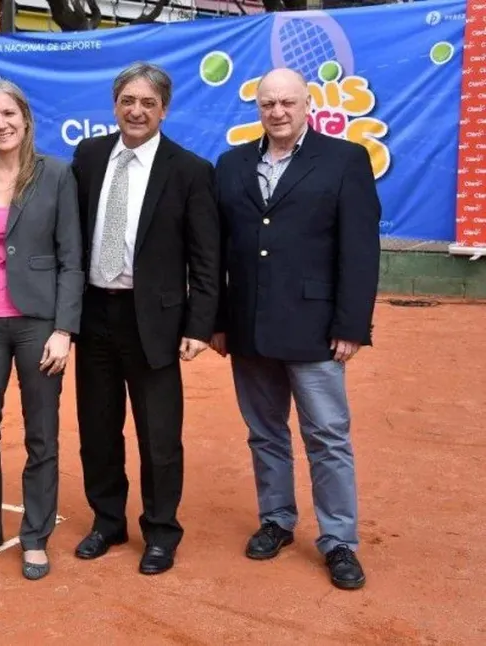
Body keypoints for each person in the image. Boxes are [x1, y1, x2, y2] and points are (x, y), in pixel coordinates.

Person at [211, 67, 380, 591]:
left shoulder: (345, 160)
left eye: (287, 102)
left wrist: (351, 325)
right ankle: (277, 520)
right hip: (248, 328)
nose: (278, 112)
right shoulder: (232, 164)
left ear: (308, 105)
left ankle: (339, 541)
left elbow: (359, 250)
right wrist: (217, 320)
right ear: (258, 109)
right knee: (265, 433)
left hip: (315, 329)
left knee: (327, 437)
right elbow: (217, 251)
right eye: (268, 104)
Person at [70, 62, 221, 575]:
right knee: (97, 427)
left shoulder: (190, 170)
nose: (136, 111)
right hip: (94, 314)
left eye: (148, 103)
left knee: (159, 434)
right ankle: (107, 521)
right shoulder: (89, 157)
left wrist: (199, 326)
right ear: (115, 105)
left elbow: (206, 258)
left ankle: (161, 532)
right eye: (128, 101)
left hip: (153, 321)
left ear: (164, 109)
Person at [0, 79, 84, 580]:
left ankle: (35, 536)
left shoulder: (57, 174)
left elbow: (72, 259)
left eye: (9, 114)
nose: (1, 124)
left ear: (25, 118)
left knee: (41, 434)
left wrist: (64, 329)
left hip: (40, 325)